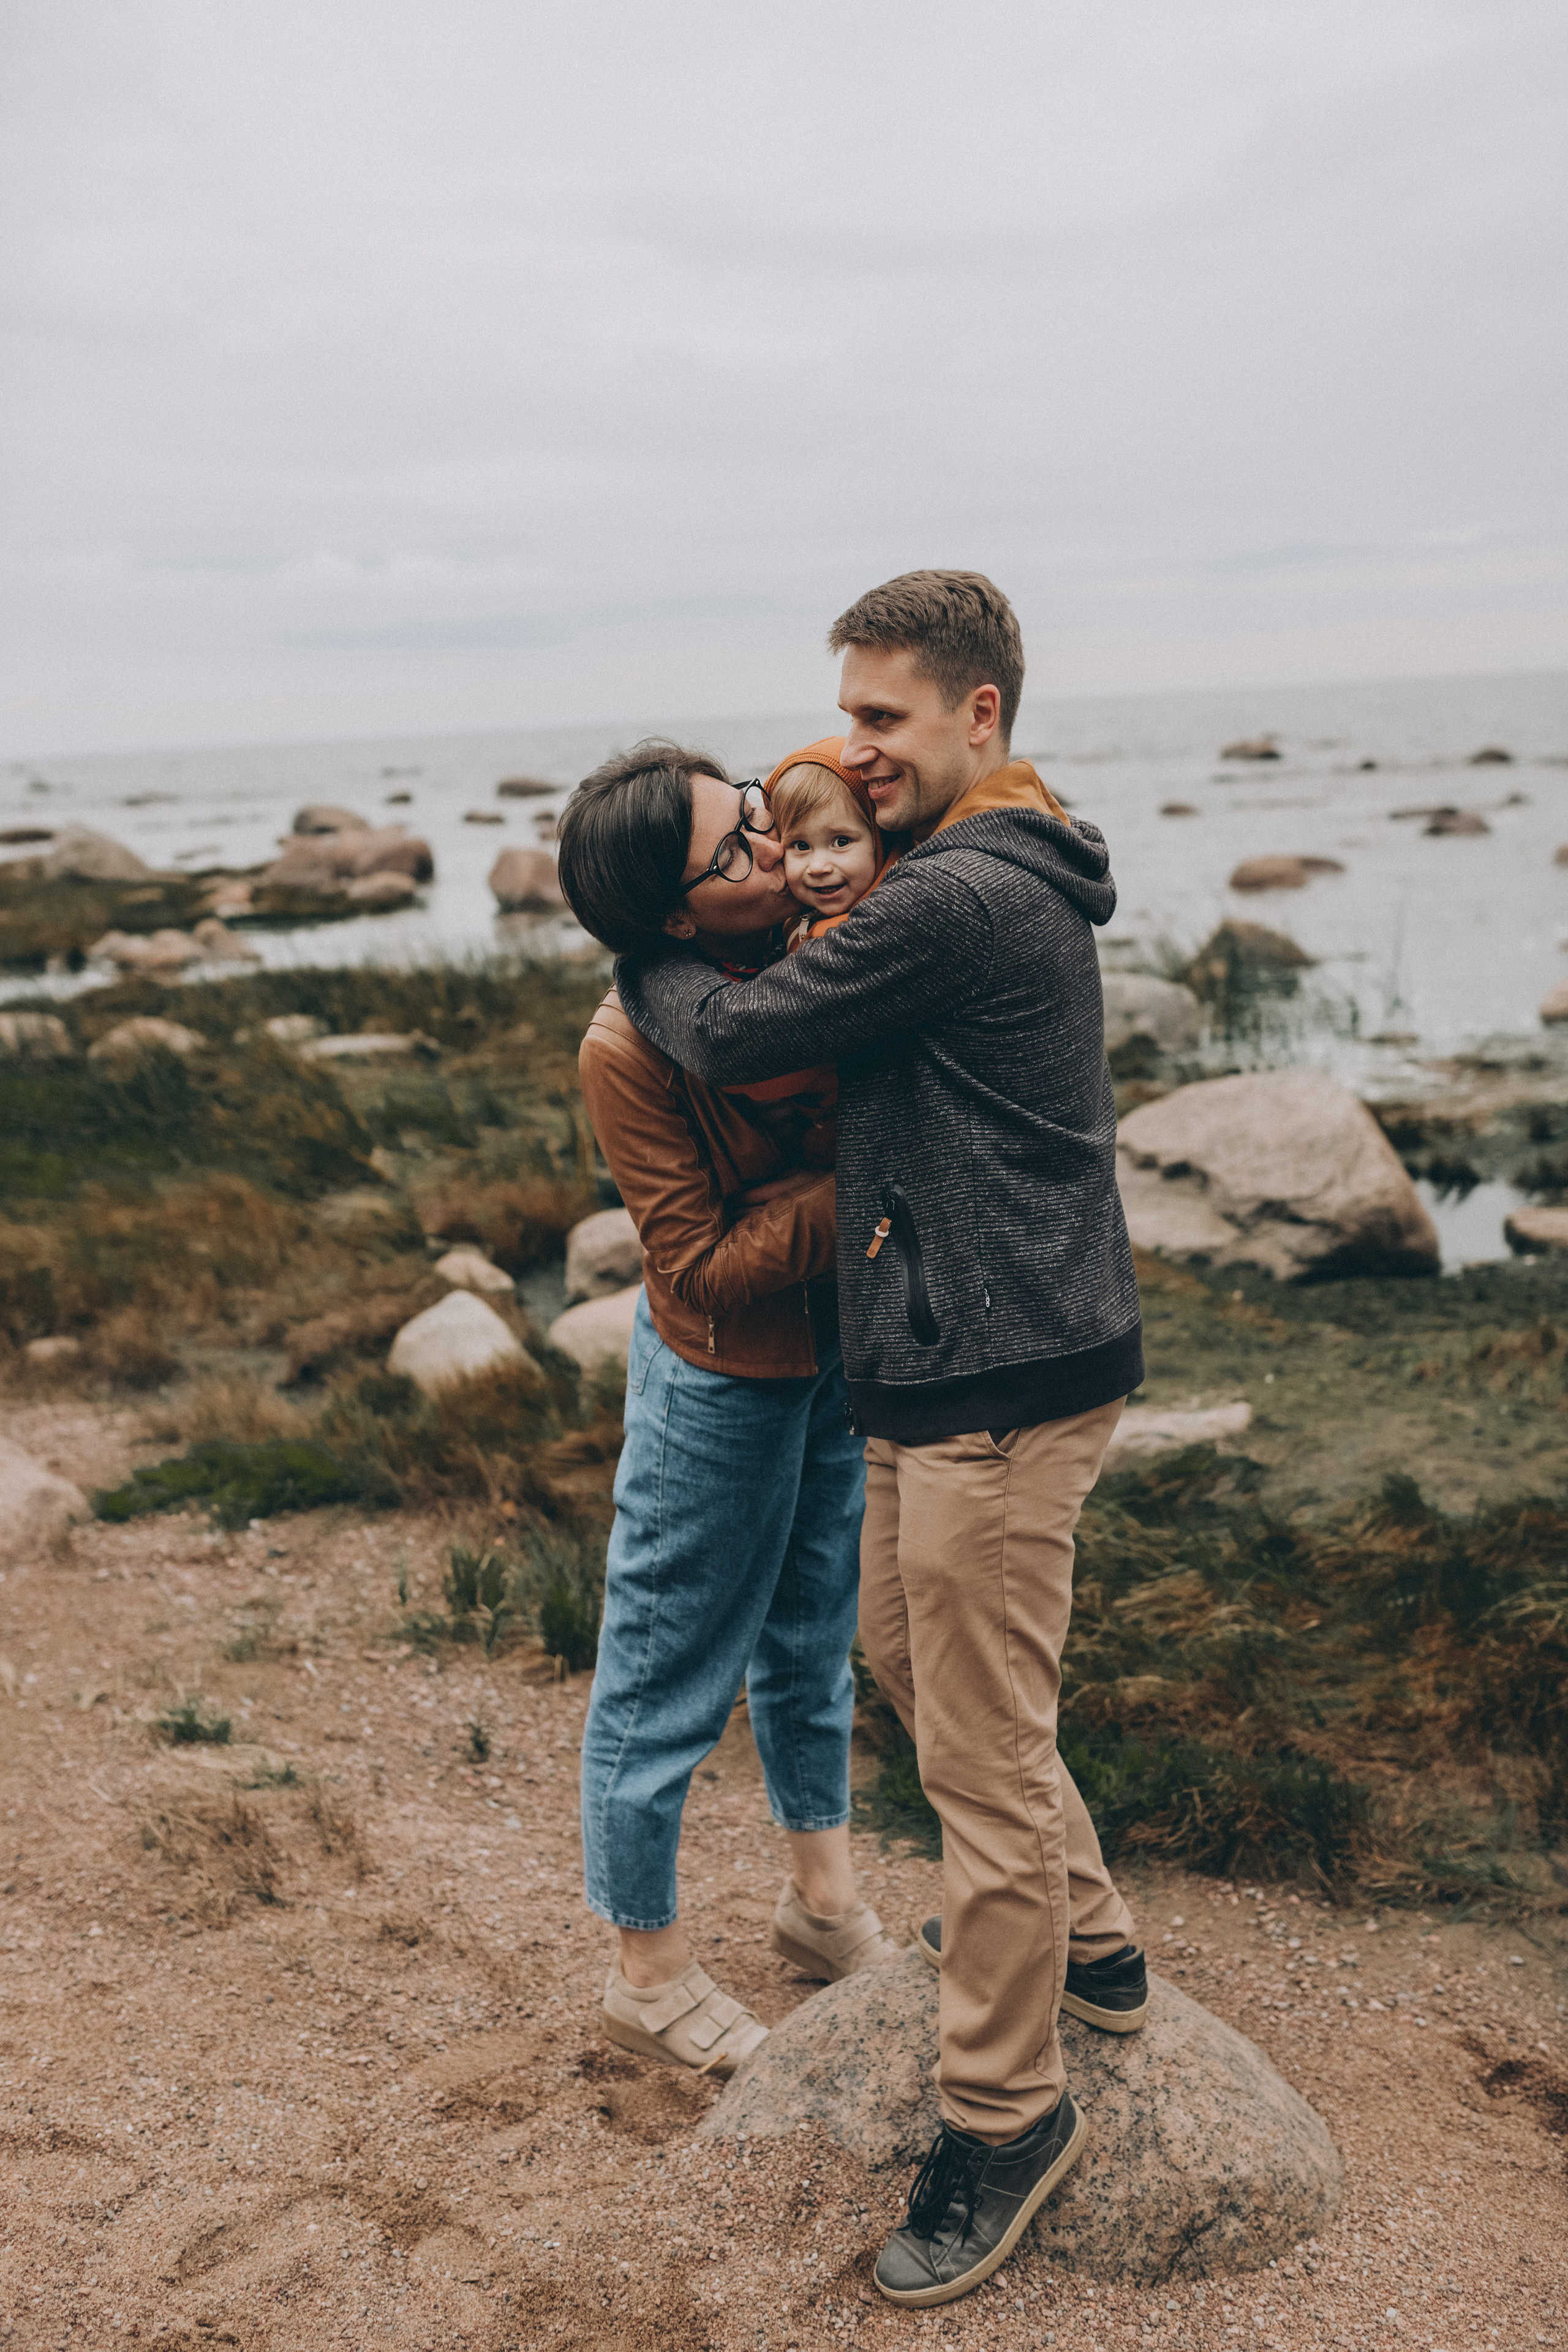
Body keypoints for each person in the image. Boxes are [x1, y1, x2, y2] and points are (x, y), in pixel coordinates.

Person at [612, 571, 1148, 2309]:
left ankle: (1008, 2117)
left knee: (980, 1761)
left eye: (886, 718)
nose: (854, 748)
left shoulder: (970, 894)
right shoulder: (960, 868)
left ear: (980, 717)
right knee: (908, 1654)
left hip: (1003, 1380)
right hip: (945, 1365)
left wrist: (647, 946)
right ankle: (1096, 1943)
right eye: (844, 715)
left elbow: (750, 1022)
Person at [554, 742, 900, 2084]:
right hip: (715, 1378)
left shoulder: (827, 938)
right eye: (737, 849)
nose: (777, 844)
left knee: (813, 1633)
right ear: (674, 920)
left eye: (754, 814)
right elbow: (691, 1262)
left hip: (831, 1354)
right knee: (662, 1671)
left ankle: (820, 1905)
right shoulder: (630, 1044)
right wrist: (871, 1174)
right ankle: (644, 1972)